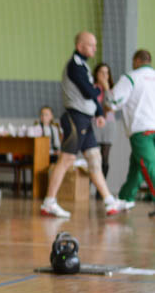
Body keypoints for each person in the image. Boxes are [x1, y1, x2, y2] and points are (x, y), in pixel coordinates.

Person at [40, 32, 127, 218]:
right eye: (91, 45)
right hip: (75, 118)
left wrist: (99, 113)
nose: (94, 49)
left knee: (95, 160)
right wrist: (102, 85)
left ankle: (109, 202)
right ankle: (49, 202)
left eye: (95, 45)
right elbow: (89, 92)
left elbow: (91, 96)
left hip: (86, 120)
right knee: (67, 160)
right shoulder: (74, 66)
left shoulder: (84, 67)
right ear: (80, 46)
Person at [107, 49, 155, 208]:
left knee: (148, 166)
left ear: (136, 61)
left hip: (142, 129)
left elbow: (113, 102)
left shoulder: (130, 78)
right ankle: (125, 198)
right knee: (137, 165)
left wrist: (104, 84)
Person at [91, 63, 115, 183]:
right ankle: (89, 185)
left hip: (109, 124)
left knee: (105, 158)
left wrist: (106, 90)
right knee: (93, 157)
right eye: (101, 72)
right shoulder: (92, 88)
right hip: (94, 123)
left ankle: (101, 190)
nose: (104, 75)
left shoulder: (112, 90)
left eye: (107, 73)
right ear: (96, 74)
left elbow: (111, 107)